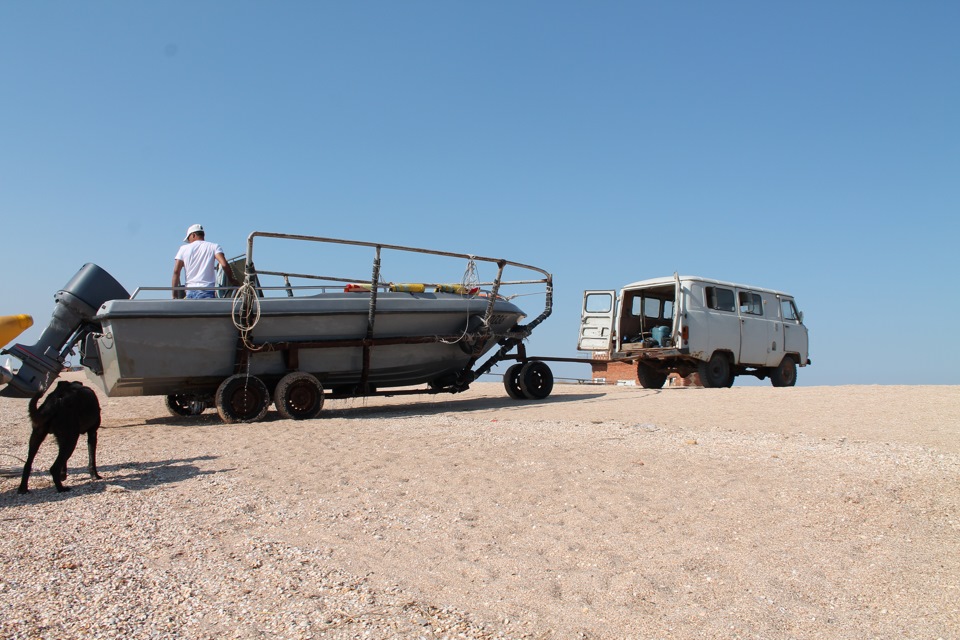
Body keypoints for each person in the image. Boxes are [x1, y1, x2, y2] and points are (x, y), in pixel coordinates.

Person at [172, 224, 239, 299]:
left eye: (188, 239)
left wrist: (174, 295)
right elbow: (224, 264)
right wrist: (231, 280)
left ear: (193, 235)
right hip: (208, 291)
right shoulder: (214, 246)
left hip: (190, 292)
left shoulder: (183, 249)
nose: (189, 241)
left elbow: (176, 272)